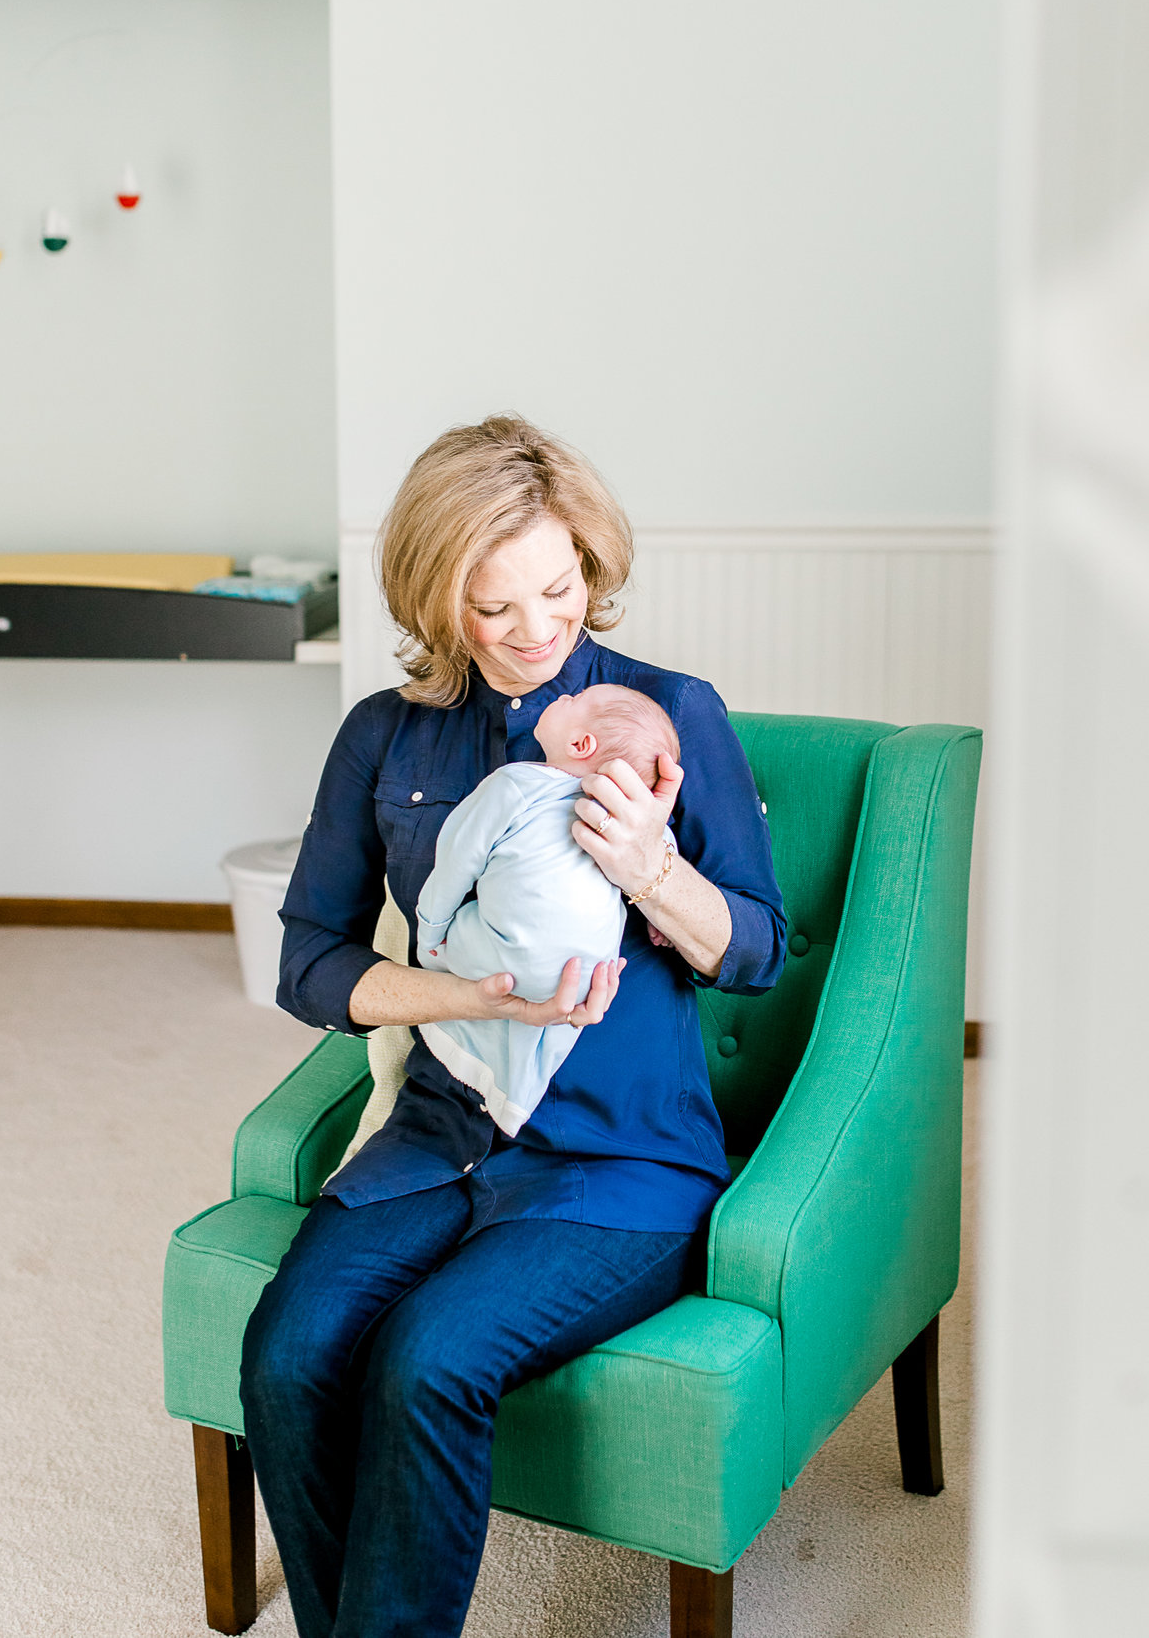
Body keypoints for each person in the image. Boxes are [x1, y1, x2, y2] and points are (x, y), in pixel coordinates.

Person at [242, 414, 789, 1638]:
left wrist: (653, 871)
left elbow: (754, 948)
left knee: (429, 1359)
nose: (538, 631)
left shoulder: (668, 714)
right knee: (287, 1355)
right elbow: (308, 963)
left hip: (623, 1163)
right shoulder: (384, 736)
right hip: (439, 1136)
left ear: (591, 568)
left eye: (561, 590)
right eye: (495, 609)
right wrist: (469, 998)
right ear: (440, 606)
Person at [415, 683, 684, 1136]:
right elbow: (661, 852)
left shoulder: (517, 785)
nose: (562, 696)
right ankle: (517, 1097)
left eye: (573, 702)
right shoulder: (630, 823)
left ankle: (495, 1090)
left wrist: (432, 932)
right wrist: (660, 921)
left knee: (462, 928)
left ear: (581, 744)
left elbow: (457, 856)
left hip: (505, 960)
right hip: (586, 979)